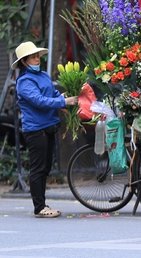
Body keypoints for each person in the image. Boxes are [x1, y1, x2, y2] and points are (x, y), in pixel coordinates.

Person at [13, 41, 78, 218]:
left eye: (37, 56)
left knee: (45, 167)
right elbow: (39, 101)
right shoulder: (25, 81)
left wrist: (62, 98)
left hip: (48, 126)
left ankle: (42, 204)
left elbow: (52, 94)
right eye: (32, 57)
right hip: (35, 129)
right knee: (38, 168)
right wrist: (63, 102)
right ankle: (39, 208)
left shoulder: (42, 75)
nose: (37, 59)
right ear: (24, 62)